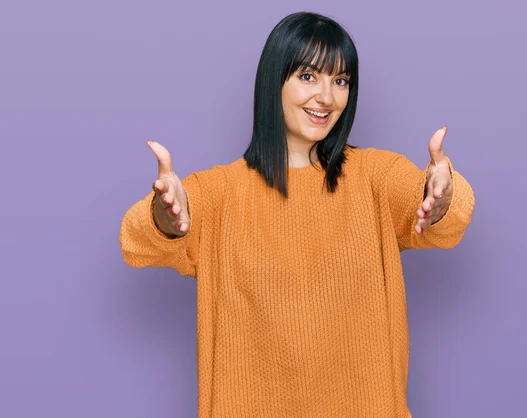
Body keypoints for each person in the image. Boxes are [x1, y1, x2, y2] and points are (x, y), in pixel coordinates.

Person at [119, 11, 475, 418]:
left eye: (340, 81)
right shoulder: (219, 192)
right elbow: (139, 242)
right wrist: (168, 216)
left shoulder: (375, 176)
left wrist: (440, 194)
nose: (327, 97)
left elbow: (442, 218)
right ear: (275, 82)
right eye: (308, 76)